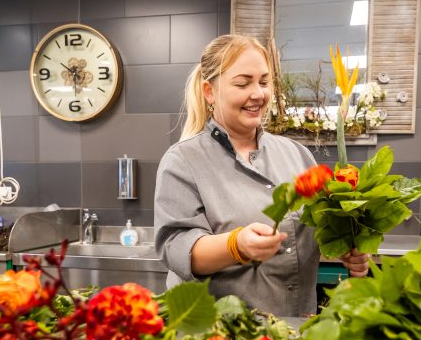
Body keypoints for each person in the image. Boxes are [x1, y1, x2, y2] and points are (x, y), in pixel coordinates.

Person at [154, 34, 368, 317]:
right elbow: (177, 248)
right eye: (243, 83)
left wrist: (345, 250)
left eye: (264, 82)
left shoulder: (296, 155)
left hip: (296, 329)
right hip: (223, 338)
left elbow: (316, 229)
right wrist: (236, 245)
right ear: (209, 91)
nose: (258, 94)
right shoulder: (183, 161)